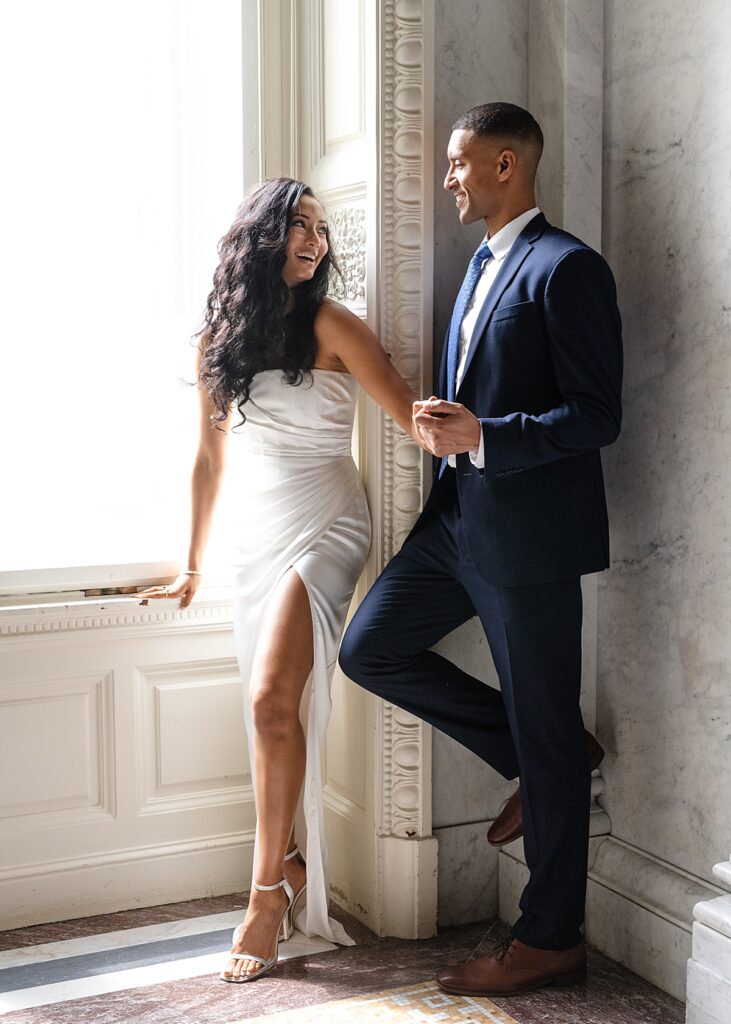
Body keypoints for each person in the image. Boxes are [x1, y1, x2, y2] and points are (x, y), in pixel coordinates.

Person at [339, 102, 623, 996]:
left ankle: (549, 939)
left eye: (461, 164)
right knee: (368, 648)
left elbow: (597, 415)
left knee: (545, 728)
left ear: (508, 163)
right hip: (454, 524)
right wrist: (445, 429)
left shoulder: (567, 267)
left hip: (528, 540)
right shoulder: (476, 269)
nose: (450, 179)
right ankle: (537, 756)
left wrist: (487, 436)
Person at [138, 177, 420, 982]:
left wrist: (485, 428)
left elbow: (409, 412)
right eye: (300, 225)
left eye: (322, 230)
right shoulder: (217, 342)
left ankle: (264, 896)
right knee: (266, 712)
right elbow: (208, 458)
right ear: (260, 237)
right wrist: (191, 564)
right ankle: (288, 861)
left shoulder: (333, 324)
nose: (315, 241)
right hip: (256, 534)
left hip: (328, 521)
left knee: (268, 700)